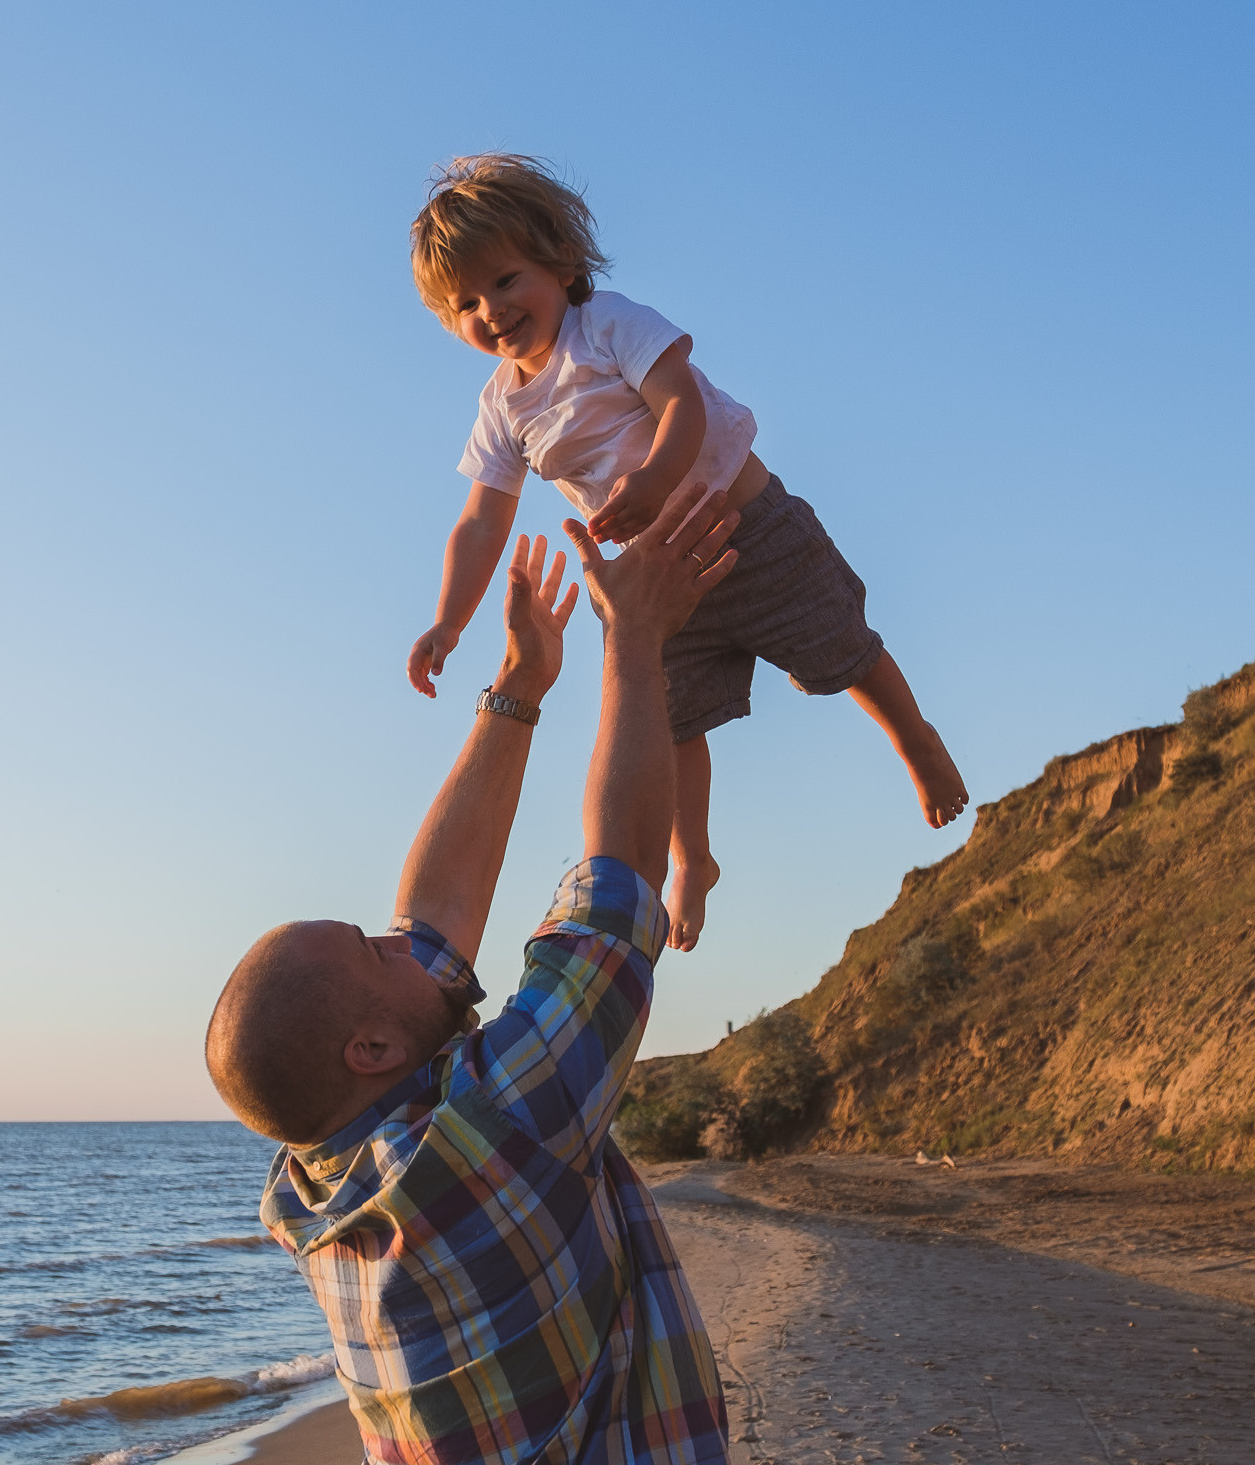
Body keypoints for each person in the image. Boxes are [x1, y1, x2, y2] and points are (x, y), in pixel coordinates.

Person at [206, 486, 743, 1465]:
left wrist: (520, 683)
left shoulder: (320, 1189)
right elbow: (620, 876)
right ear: (369, 1048)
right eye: (374, 947)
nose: (401, 936)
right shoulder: (490, 1126)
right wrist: (638, 635)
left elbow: (433, 923)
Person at [402, 153, 968, 950]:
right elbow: (481, 521)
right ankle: (690, 856)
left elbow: (682, 404)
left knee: (844, 647)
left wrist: (654, 476)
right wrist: (448, 622)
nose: (490, 310)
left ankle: (918, 742)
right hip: (662, 581)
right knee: (667, 722)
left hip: (753, 534)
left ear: (561, 264)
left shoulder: (609, 327)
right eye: (464, 303)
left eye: (505, 280)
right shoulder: (501, 409)